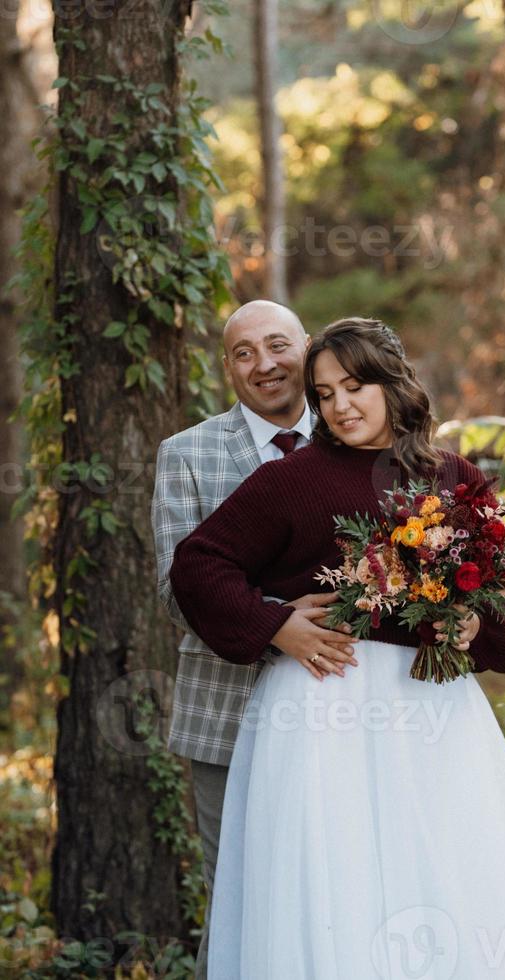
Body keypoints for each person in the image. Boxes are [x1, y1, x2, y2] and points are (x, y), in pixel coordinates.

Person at [170, 318, 505, 979]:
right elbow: (199, 564)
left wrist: (473, 628)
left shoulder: (456, 476)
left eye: (355, 386)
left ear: (392, 383)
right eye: (324, 394)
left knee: (444, 869)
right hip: (321, 714)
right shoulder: (292, 480)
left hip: (435, 714)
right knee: (335, 876)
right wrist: (273, 625)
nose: (340, 406)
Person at [151, 300, 358, 979]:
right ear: (228, 369)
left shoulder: (355, 436)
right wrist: (278, 625)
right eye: (243, 352)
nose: (264, 363)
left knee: (334, 886)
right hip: (228, 712)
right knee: (240, 895)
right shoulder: (186, 454)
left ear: (307, 348)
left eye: (277, 345)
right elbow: (174, 587)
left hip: (348, 708)